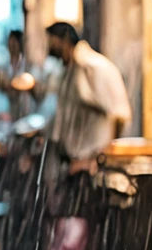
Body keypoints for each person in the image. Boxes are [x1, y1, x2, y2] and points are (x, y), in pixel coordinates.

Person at [45, 20, 132, 166]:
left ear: (65, 40)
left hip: (93, 167)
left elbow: (119, 117)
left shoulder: (94, 68)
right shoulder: (68, 72)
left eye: (54, 45)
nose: (51, 50)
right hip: (73, 165)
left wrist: (95, 160)